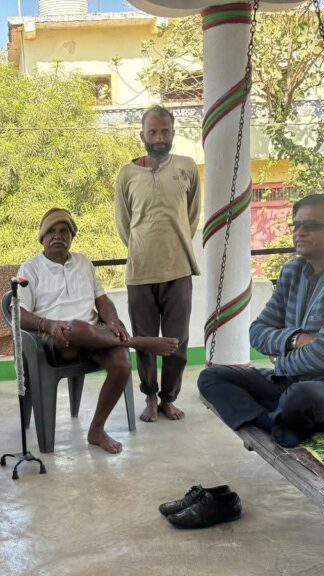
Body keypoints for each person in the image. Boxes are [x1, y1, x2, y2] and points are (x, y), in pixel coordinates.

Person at [198, 193, 324, 450]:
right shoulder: (293, 271)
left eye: (311, 225)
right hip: (292, 382)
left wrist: (282, 361)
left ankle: (281, 417)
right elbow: (257, 332)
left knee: (301, 398)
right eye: (296, 225)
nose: (299, 232)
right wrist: (295, 339)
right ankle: (272, 422)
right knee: (211, 377)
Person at [17, 208, 180, 454]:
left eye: (64, 231)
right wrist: (48, 324)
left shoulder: (83, 262)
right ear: (42, 237)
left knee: (122, 363)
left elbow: (103, 301)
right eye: (51, 231)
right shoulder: (30, 269)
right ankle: (135, 342)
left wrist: (112, 321)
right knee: (73, 326)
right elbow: (18, 313)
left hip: (95, 337)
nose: (57, 235)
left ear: (72, 236)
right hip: (58, 340)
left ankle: (96, 430)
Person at [115, 104, 201, 423]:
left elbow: (191, 216)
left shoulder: (187, 167)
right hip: (140, 271)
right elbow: (124, 224)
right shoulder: (127, 174)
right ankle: (150, 396)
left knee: (177, 341)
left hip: (178, 268)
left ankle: (168, 399)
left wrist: (173, 245)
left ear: (173, 133)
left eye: (165, 131)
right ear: (142, 135)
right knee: (145, 340)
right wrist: (143, 248)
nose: (159, 137)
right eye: (153, 132)